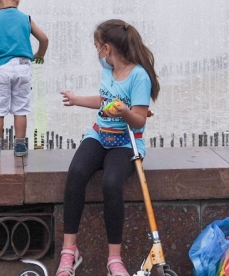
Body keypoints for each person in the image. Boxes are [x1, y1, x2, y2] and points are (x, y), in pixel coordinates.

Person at [57, 19, 160, 276]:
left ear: (106, 48)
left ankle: (114, 258)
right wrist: (77, 100)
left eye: (96, 47)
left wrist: (124, 110)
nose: (96, 53)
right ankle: (70, 251)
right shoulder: (108, 70)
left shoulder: (139, 76)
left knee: (111, 183)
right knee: (77, 172)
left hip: (126, 142)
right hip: (99, 136)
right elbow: (103, 100)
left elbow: (138, 118)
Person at [0, 0, 49, 158]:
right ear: (18, 0)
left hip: (0, 69)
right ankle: (20, 146)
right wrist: (39, 55)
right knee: (20, 109)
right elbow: (44, 39)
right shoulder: (25, 18)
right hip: (23, 68)